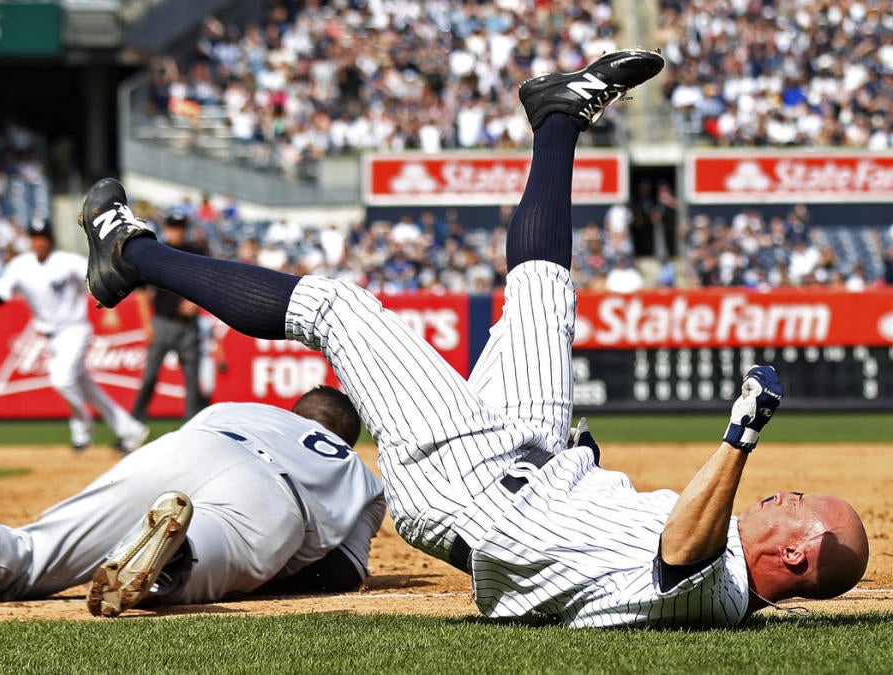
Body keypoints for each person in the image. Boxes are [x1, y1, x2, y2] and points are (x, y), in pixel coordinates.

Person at [73, 49, 870, 628]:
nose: (786, 494)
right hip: (536, 461)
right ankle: (560, 111)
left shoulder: (719, 593)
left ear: (798, 555)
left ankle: (130, 253)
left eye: (800, 506)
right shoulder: (720, 556)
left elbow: (679, 553)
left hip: (470, 488)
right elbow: (640, 539)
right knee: (544, 291)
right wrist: (587, 471)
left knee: (339, 311)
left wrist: (741, 435)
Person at [0, 384, 385, 617]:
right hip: (275, 499)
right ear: (346, 436)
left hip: (188, 447)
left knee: (32, 557)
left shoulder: (239, 408)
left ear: (294, 409)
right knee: (190, 569)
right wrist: (264, 579)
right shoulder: (359, 474)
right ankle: (177, 555)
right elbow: (339, 572)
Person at [0, 218, 149, 453]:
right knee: (88, 390)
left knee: (61, 379)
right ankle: (131, 431)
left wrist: (111, 308)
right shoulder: (20, 265)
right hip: (51, 337)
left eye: (43, 238)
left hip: (75, 330)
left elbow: (99, 276)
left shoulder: (67, 261)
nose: (39, 242)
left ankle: (82, 427)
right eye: (35, 238)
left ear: (50, 240)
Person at [130, 212, 209, 425]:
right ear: (166, 227)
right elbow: (142, 291)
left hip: (188, 326)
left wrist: (196, 301)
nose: (177, 231)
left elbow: (209, 285)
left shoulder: (196, 252)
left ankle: (194, 428)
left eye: (181, 226)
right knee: (149, 378)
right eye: (174, 226)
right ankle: (132, 426)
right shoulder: (157, 251)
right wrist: (147, 324)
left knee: (193, 381)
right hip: (162, 322)